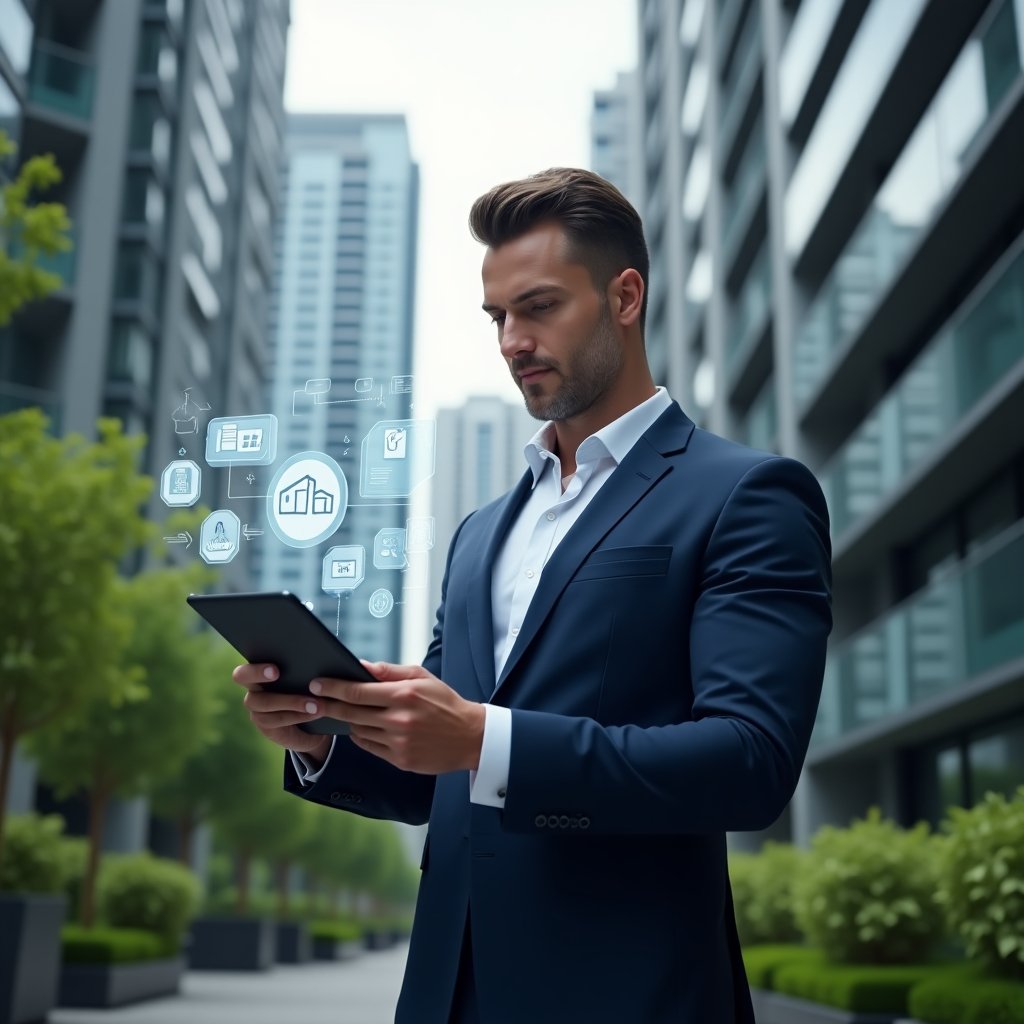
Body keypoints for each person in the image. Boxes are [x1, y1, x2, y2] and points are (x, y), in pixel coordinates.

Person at [233, 168, 832, 1023]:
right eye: (497, 317)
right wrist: (329, 735)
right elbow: (438, 773)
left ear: (625, 297)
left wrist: (483, 735)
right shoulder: (480, 532)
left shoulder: (748, 494)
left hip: (628, 995)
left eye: (540, 306)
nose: (513, 339)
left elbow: (749, 762)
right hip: (447, 992)